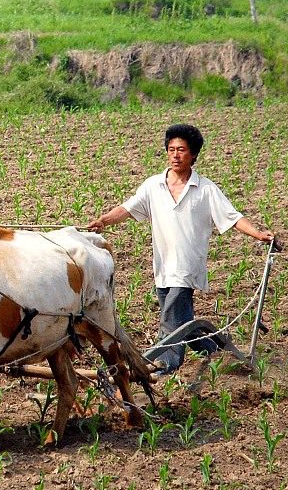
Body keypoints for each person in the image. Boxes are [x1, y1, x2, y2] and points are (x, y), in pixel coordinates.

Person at [86, 124, 275, 374]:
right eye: (172, 149)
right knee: (183, 322)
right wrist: (103, 221)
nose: (176, 155)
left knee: (171, 320)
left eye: (182, 150)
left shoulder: (205, 189)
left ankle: (165, 364)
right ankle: (216, 350)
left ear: (193, 155)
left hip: (187, 267)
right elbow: (128, 209)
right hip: (162, 267)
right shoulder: (153, 186)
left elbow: (233, 217)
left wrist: (259, 234)